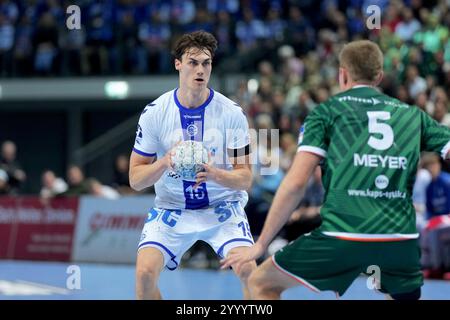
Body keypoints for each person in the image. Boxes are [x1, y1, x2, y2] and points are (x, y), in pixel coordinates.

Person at [221, 40, 450, 300]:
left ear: (343, 74)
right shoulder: (413, 115)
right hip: (400, 240)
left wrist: (260, 244)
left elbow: (295, 184)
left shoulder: (327, 113)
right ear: (379, 76)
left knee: (260, 284)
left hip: (343, 235)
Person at [129, 30, 256, 300]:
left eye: (206, 63)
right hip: (173, 208)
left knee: (249, 273)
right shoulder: (155, 113)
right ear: (178, 64)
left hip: (222, 208)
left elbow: (245, 179)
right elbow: (136, 179)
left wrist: (215, 174)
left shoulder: (232, 113)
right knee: (143, 276)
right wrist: (164, 162)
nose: (200, 70)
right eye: (193, 62)